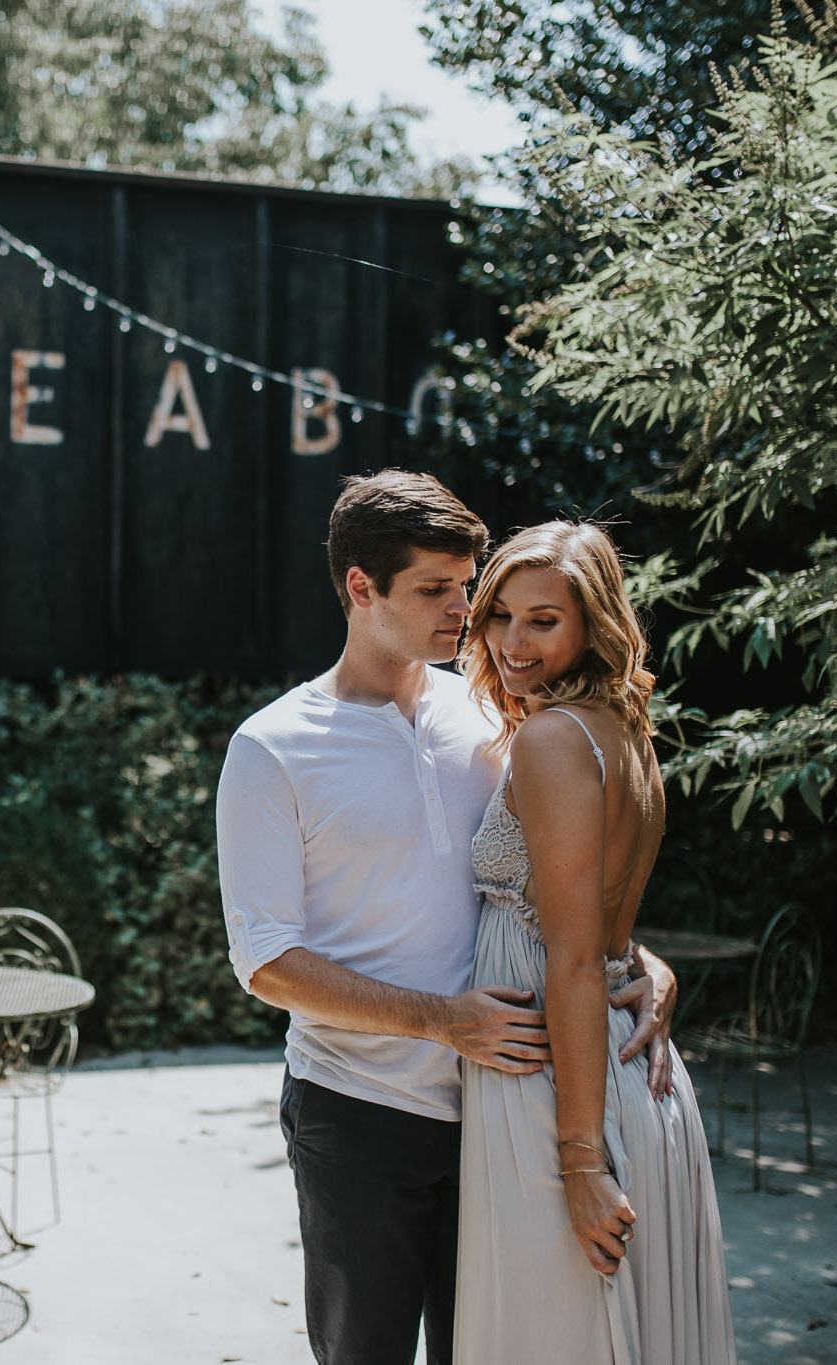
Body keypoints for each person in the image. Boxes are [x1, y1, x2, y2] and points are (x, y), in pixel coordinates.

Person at [215, 472, 678, 1365]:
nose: (466, 612)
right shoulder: (272, 746)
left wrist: (641, 961)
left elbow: (550, 886)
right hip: (361, 1113)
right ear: (361, 587)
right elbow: (266, 961)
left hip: (506, 1112)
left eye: (467, 585)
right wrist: (441, 1020)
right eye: (437, 589)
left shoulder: (492, 710)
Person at [453, 520, 734, 1363]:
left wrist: (579, 1162)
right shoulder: (626, 732)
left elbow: (574, 957)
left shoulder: (552, 739)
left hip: (556, 1083)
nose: (512, 641)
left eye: (543, 620)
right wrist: (651, 965)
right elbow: (606, 925)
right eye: (500, 614)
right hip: (618, 1063)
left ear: (593, 623)